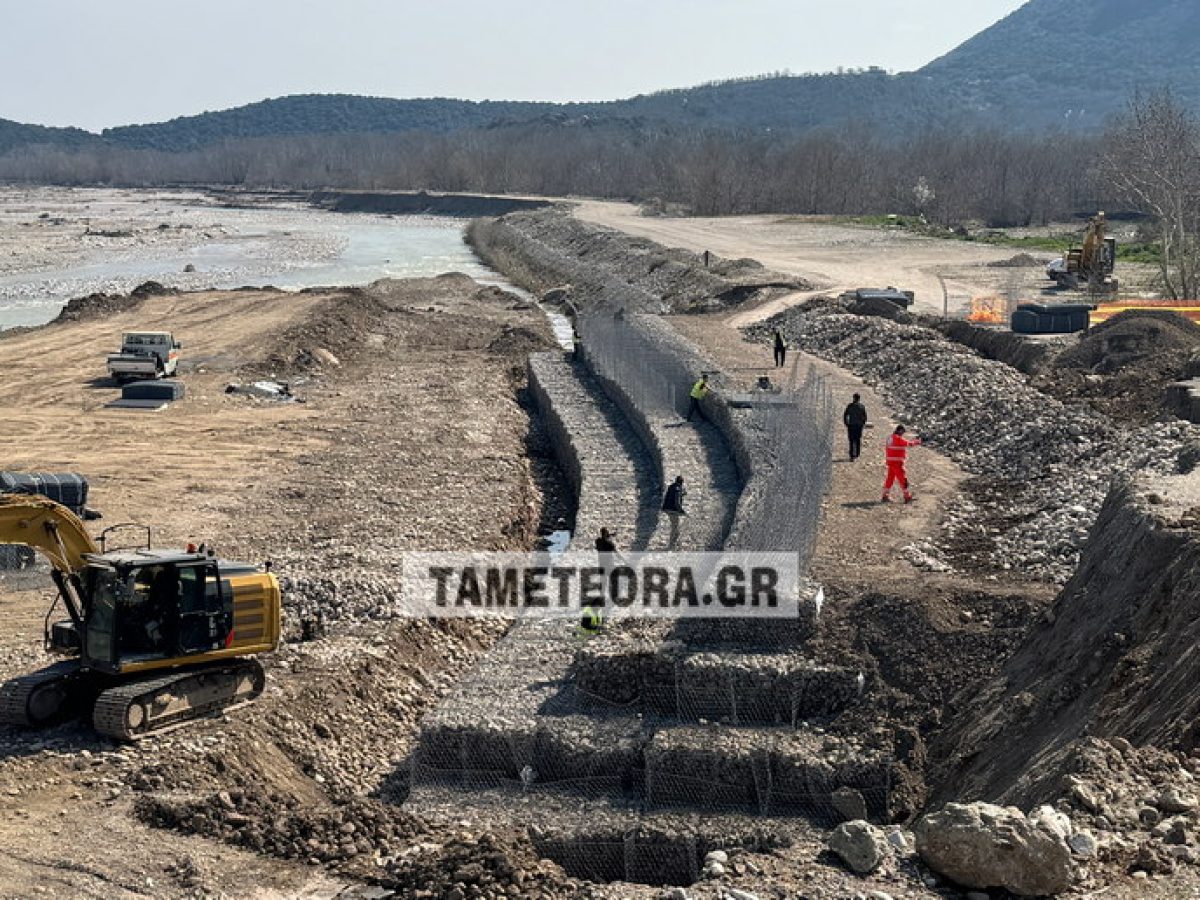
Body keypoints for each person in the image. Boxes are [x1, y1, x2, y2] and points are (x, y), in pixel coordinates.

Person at [882, 425, 922, 503]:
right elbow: (908, 444)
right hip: (897, 463)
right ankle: (907, 496)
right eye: (902, 432)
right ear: (900, 431)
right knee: (902, 479)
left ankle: (885, 495)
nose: (902, 434)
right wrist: (917, 442)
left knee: (890, 479)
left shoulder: (890, 438)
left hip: (890, 462)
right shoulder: (898, 439)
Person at [662, 476, 687, 548]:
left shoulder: (671, 486)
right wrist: (681, 510)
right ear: (681, 482)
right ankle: (672, 545)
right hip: (673, 510)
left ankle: (674, 543)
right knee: (675, 527)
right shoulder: (678, 489)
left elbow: (672, 496)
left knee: (675, 526)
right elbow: (676, 501)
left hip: (667, 508)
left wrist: (682, 494)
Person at [843, 393, 868, 461]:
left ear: (853, 398)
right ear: (859, 399)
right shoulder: (862, 406)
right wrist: (862, 424)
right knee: (857, 440)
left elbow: (845, 415)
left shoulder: (850, 406)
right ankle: (857, 453)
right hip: (859, 426)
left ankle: (852, 455)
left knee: (851, 440)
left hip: (851, 425)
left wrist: (846, 423)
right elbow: (865, 417)